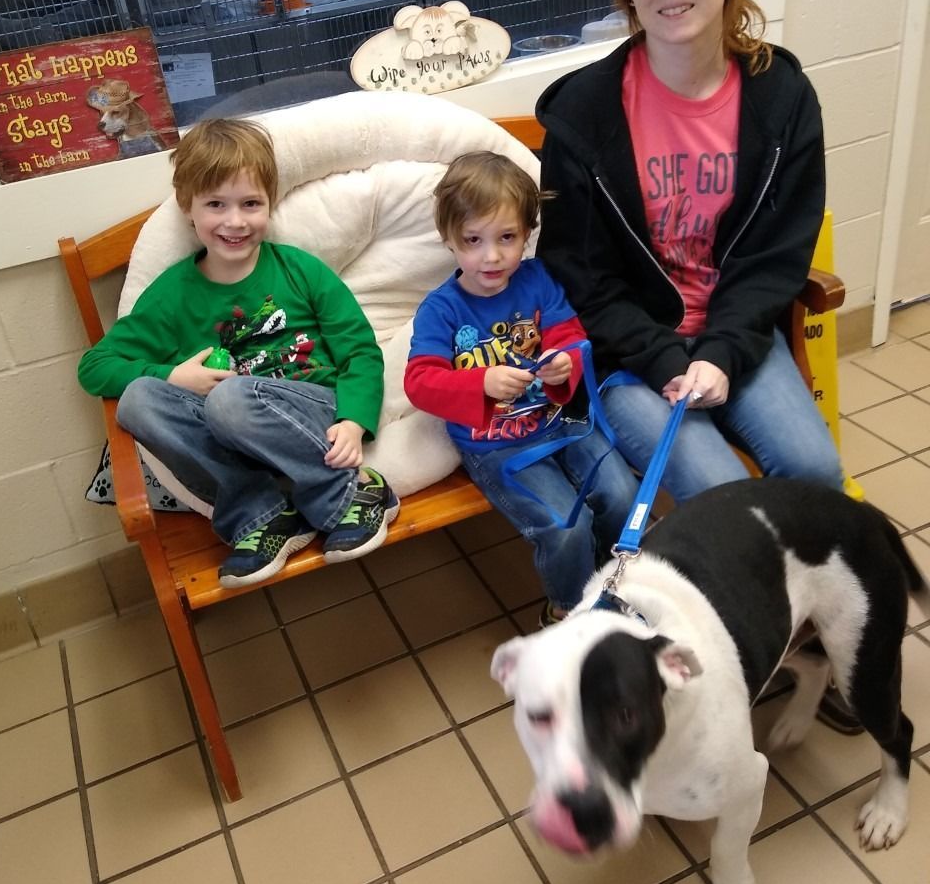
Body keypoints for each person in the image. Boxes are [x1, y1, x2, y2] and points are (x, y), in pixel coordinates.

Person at [535, 0, 854, 728]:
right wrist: (668, 356)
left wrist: (722, 351)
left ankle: (820, 635)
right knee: (716, 492)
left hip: (739, 337)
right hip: (635, 356)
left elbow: (779, 256)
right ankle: (756, 642)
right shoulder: (584, 115)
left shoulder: (782, 97)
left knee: (817, 471)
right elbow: (579, 276)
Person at [78, 117, 398, 588]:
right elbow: (95, 368)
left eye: (251, 203)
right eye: (215, 205)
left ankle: (353, 494)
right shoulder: (172, 294)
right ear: (188, 208)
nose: (235, 221)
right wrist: (171, 377)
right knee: (138, 400)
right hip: (233, 435)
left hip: (315, 415)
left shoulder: (300, 270)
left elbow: (360, 352)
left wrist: (354, 419)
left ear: (269, 203)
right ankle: (264, 516)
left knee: (229, 399)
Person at [405, 152, 639, 623]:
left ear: (527, 233)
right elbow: (420, 382)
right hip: (494, 443)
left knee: (622, 494)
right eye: (473, 240)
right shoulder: (441, 310)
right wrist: (482, 381)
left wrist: (562, 363)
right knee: (564, 525)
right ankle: (568, 612)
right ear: (449, 239)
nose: (491, 256)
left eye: (506, 238)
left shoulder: (537, 279)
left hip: (563, 419)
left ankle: (617, 586)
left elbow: (570, 336)